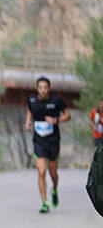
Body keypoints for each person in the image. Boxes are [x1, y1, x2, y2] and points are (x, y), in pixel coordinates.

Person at [24, 76, 71, 213]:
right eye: (40, 88)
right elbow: (30, 111)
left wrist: (56, 119)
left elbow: (68, 115)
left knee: (53, 173)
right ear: (37, 88)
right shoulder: (32, 99)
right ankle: (44, 202)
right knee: (41, 171)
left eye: (45, 87)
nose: (43, 90)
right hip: (39, 140)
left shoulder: (57, 100)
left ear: (49, 88)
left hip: (53, 141)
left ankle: (54, 189)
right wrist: (28, 121)